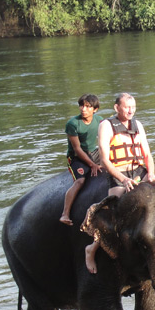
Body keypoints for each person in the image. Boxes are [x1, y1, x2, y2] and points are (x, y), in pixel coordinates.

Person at [84, 92, 155, 274]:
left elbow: (147, 154)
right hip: (118, 172)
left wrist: (151, 174)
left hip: (139, 170)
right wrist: (123, 180)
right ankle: (92, 248)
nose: (131, 111)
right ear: (117, 108)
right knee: (113, 208)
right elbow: (105, 160)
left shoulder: (137, 125)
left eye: (133, 107)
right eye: (127, 107)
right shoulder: (107, 125)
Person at [60, 94, 103, 225]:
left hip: (93, 152)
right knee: (80, 181)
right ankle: (65, 213)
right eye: (81, 105)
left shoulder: (100, 121)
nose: (83, 109)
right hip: (77, 156)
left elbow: (105, 141)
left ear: (95, 109)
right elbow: (77, 149)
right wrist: (92, 165)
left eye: (88, 106)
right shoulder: (73, 124)